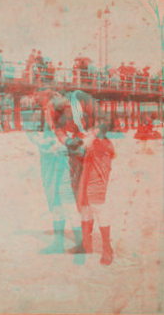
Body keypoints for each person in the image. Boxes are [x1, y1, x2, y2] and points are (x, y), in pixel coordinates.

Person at [26, 90, 87, 265]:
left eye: (50, 103)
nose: (48, 106)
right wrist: (39, 141)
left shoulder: (67, 114)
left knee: (67, 200)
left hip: (64, 161)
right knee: (54, 200)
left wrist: (68, 144)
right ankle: (58, 244)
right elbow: (29, 131)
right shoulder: (40, 114)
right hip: (47, 160)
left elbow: (79, 134)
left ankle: (80, 247)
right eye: (45, 104)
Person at [77, 113, 115, 265]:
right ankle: (87, 244)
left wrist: (88, 136)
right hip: (87, 177)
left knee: (99, 209)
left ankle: (107, 248)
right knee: (85, 210)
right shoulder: (95, 141)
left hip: (98, 181)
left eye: (97, 127)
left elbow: (85, 144)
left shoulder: (103, 143)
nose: (93, 129)